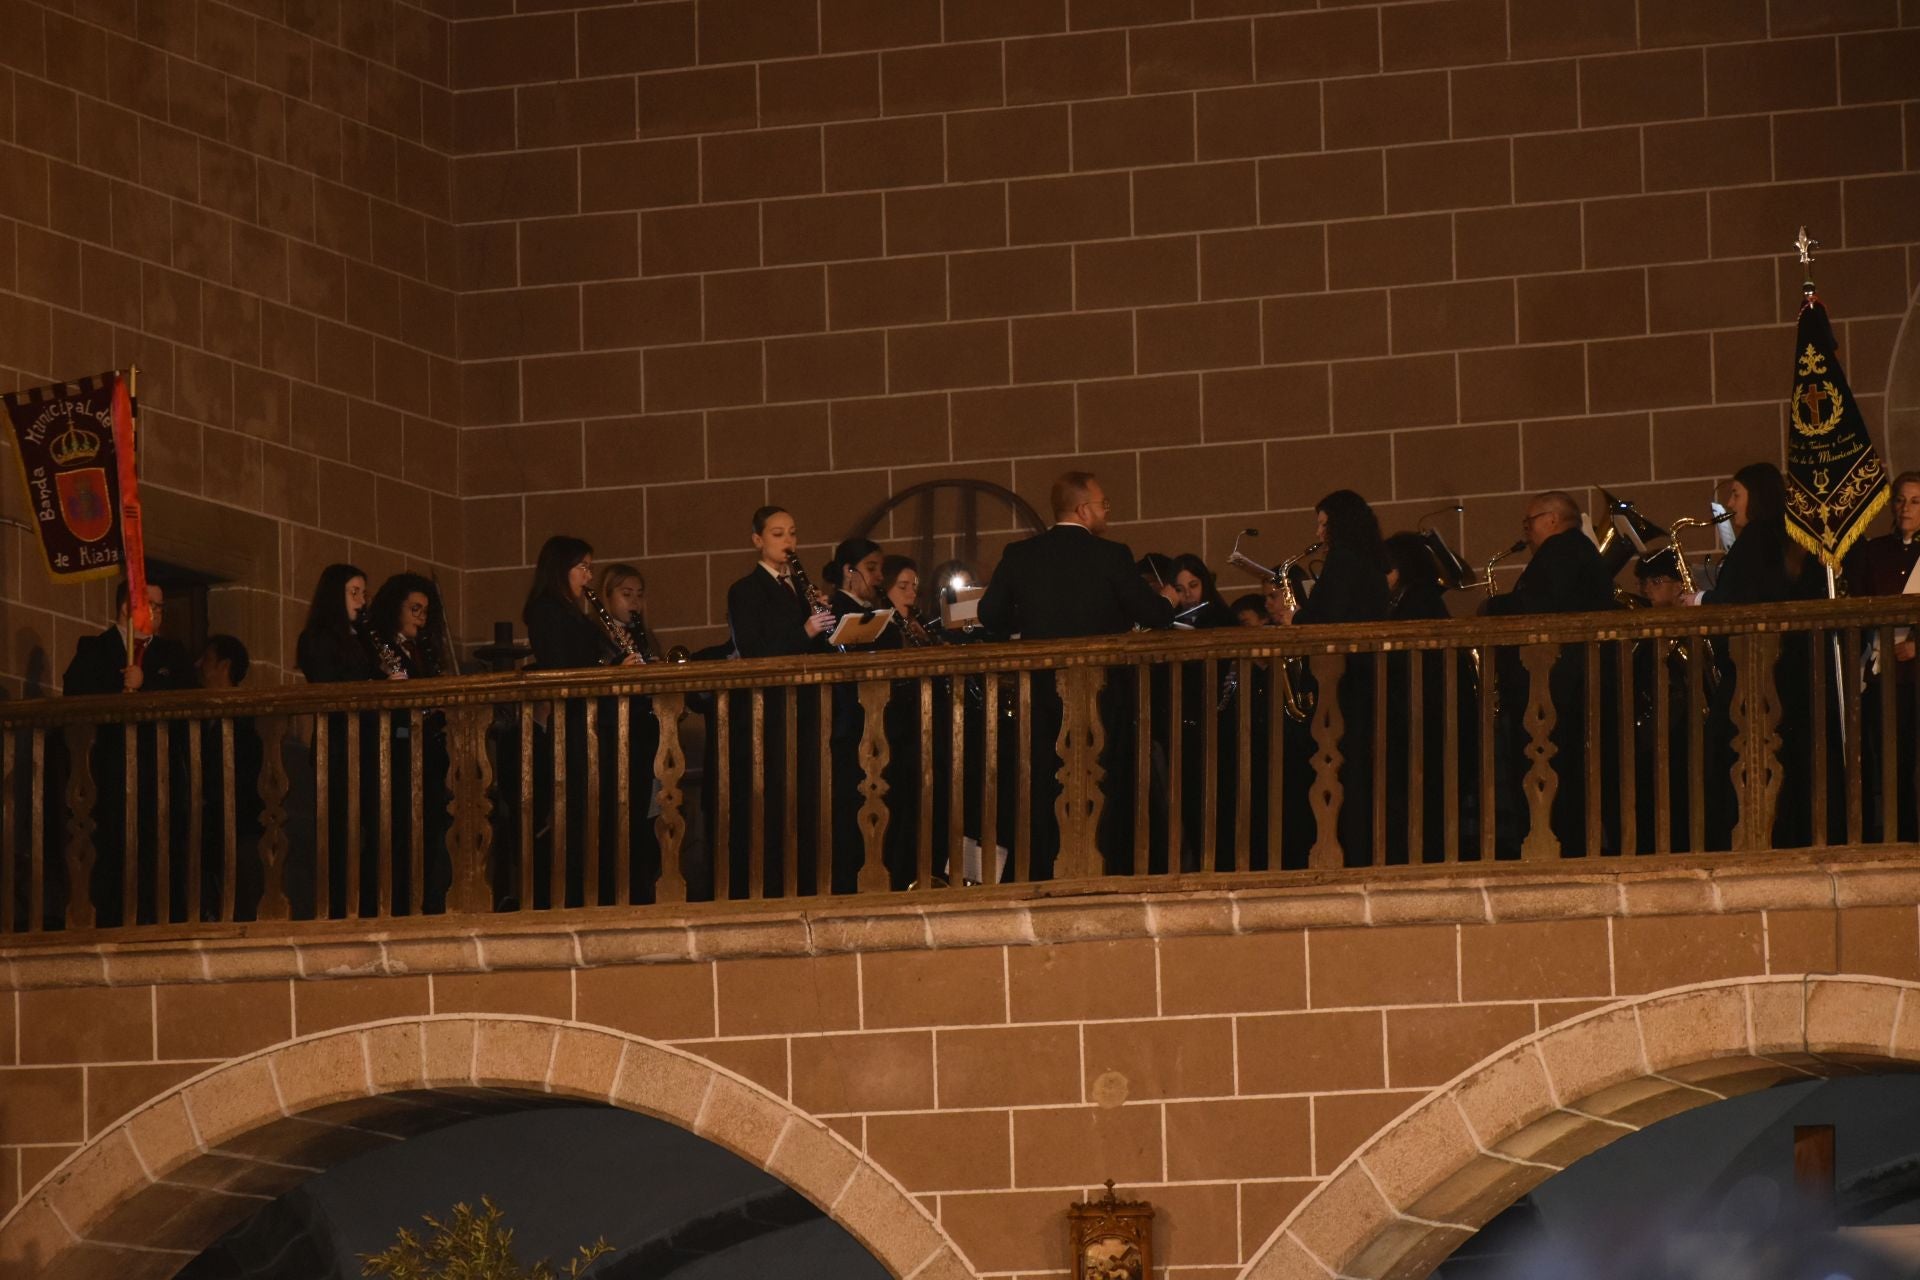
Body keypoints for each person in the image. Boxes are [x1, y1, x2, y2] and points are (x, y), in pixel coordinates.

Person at [979, 471, 1176, 878]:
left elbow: (989, 617)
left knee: (1046, 781)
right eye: (1103, 504)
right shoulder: (1111, 555)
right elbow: (1152, 614)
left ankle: (1045, 866)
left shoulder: (1019, 555)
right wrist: (1168, 600)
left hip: (1043, 697)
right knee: (1106, 779)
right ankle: (1109, 863)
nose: (1106, 511)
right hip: (1105, 697)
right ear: (1084, 509)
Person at [1687, 463, 1831, 849]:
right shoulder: (1783, 537)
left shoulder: (1757, 539)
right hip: (1789, 672)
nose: (1729, 504)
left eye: (1735, 494)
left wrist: (1699, 600)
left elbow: (1743, 599)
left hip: (1758, 673)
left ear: (1756, 496)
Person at [1482, 491, 1621, 857]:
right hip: (1570, 687)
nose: (1526, 531)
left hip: (1560, 690)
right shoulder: (1573, 552)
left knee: (1558, 780)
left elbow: (1535, 608)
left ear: (1553, 519)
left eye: (1531, 522)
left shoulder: (1561, 552)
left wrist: (1492, 608)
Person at [58, 579, 191, 928]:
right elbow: (75, 693)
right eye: (153, 604)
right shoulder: (95, 648)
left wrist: (146, 683)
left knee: (156, 852)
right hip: (109, 768)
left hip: (157, 769)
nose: (160, 612)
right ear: (126, 607)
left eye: (162, 607)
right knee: (110, 850)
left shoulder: (172, 654)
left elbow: (188, 694)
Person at [522, 537, 640, 911]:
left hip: (589, 718)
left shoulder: (576, 611)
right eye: (583, 567)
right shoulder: (545, 609)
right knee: (577, 807)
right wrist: (610, 669)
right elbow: (563, 663)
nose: (589, 575)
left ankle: (601, 891)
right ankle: (577, 894)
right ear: (562, 568)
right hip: (573, 721)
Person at [1273, 491, 1391, 866]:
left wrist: (1296, 621)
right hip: (1364, 676)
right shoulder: (1369, 561)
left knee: (1342, 765)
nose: (1320, 532)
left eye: (1324, 523)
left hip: (1344, 680)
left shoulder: (1343, 560)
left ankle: (1341, 848)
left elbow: (1331, 616)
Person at [723, 506, 832, 897]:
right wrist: (806, 628)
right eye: (777, 534)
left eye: (792, 533)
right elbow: (753, 649)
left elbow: (814, 647)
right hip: (769, 712)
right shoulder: (745, 590)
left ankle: (809, 883)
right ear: (757, 540)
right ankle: (770, 887)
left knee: (808, 800)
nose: (788, 542)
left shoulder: (799, 590)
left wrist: (822, 618)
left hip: (804, 706)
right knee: (774, 802)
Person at [1844, 471, 1920, 843]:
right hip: (1882, 673)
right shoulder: (1874, 552)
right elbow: (1856, 605)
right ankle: (1895, 834)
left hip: (1915, 673)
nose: (1906, 508)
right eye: (1901, 500)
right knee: (1889, 760)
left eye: (1916, 501)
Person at [595, 562, 664, 901]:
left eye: (638, 595)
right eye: (625, 595)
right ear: (607, 596)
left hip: (647, 733)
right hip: (618, 734)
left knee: (649, 814)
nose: (634, 603)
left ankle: (644, 883)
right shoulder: (598, 639)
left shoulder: (644, 637)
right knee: (620, 813)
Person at [296, 564, 377, 684]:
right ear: (335, 593)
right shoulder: (317, 638)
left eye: (363, 594)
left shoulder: (362, 636)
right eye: (354, 592)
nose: (362, 601)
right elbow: (327, 685)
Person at [1171, 554, 1234, 628]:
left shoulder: (1225, 619)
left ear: (1205, 584)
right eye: (1179, 590)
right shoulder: (1170, 621)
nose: (1187, 594)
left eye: (1193, 585)